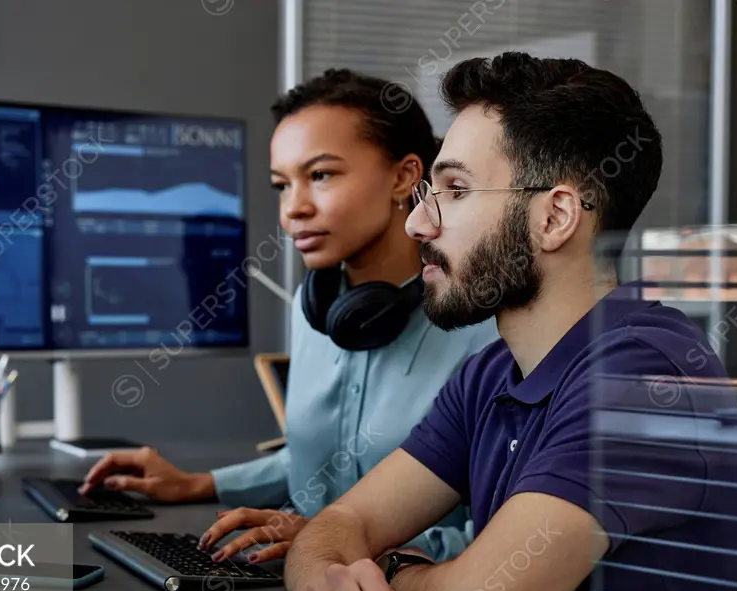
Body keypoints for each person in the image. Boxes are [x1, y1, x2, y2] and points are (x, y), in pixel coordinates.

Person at [283, 52, 737, 591]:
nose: (419, 224)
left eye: (454, 190)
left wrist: (387, 571)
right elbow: (341, 518)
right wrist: (325, 577)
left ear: (555, 217)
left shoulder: (647, 375)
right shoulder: (489, 375)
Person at [80, 69, 499, 564]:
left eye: (320, 175)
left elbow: (498, 544)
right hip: (292, 583)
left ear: (405, 176)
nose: (292, 210)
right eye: (282, 185)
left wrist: (333, 544)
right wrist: (200, 484)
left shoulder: (481, 330)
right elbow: (315, 462)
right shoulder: (316, 312)